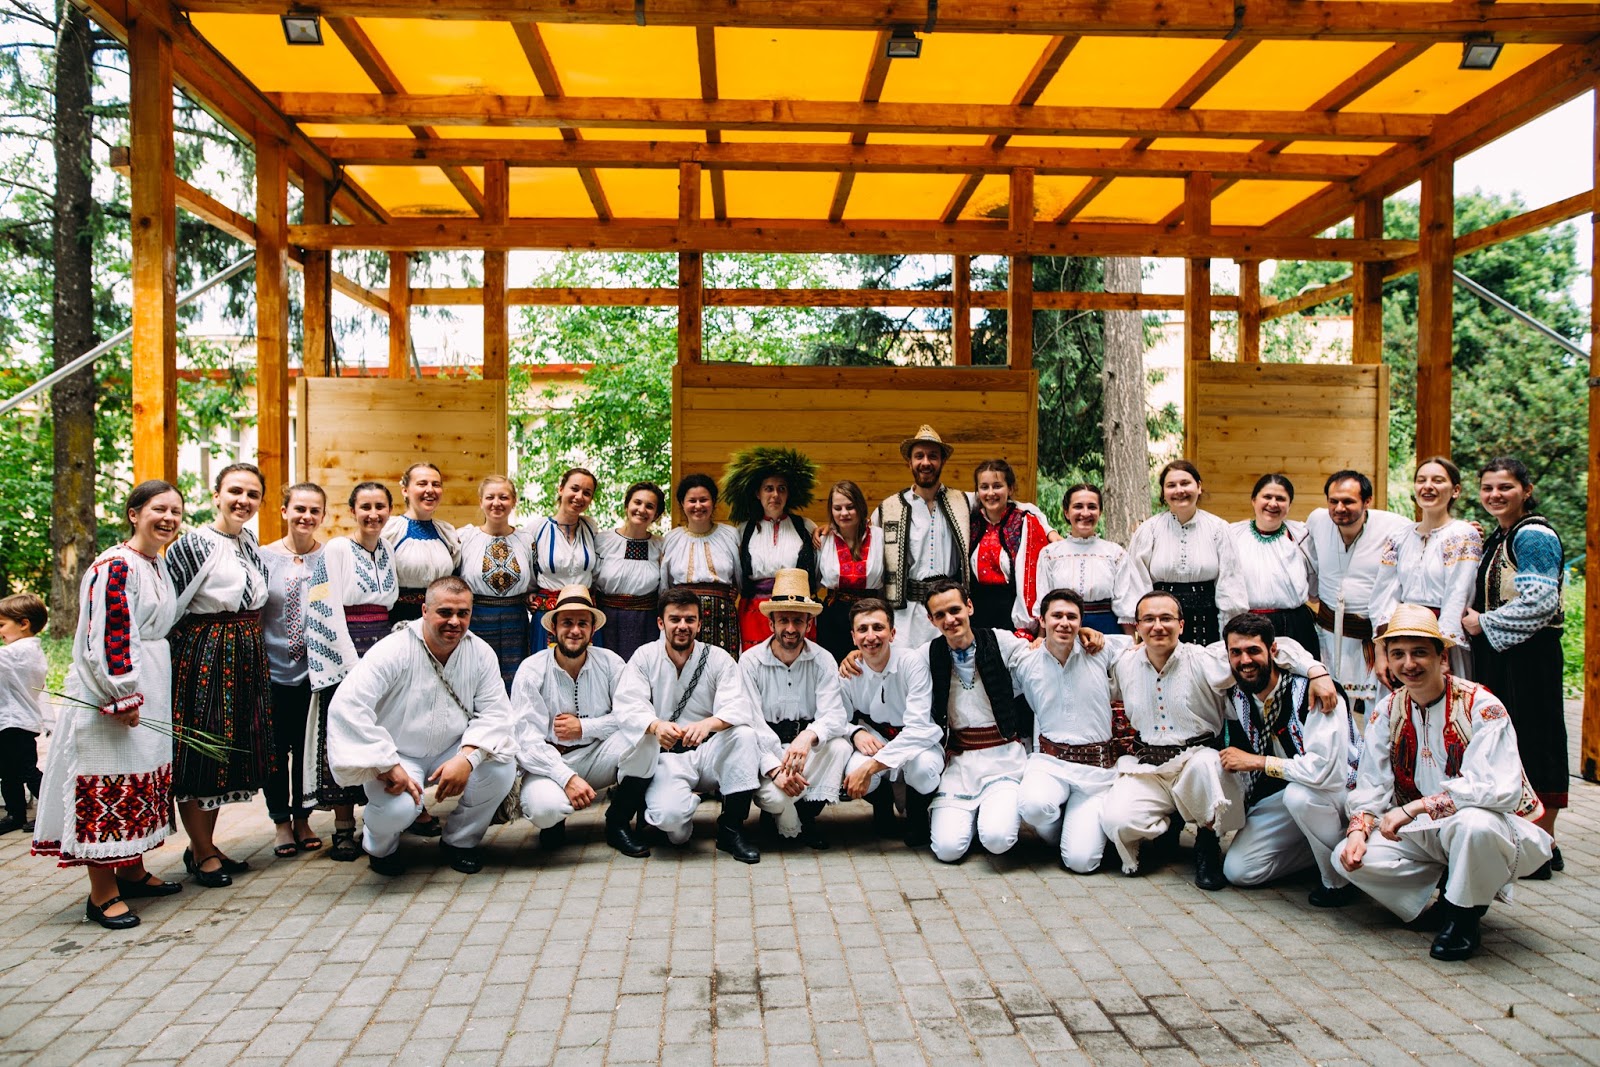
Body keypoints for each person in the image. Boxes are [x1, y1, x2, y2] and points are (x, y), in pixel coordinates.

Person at [1337, 604, 1552, 962]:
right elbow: (1371, 782)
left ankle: (1463, 917)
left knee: (1473, 825)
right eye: (1398, 654)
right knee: (1346, 857)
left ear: (1443, 657)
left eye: (1420, 652)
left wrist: (1416, 807)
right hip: (1426, 832)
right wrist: (1358, 830)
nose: (1409, 664)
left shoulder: (1481, 706)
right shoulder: (1388, 709)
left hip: (1496, 829)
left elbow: (1497, 789)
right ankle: (1448, 891)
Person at [1100, 591, 1332, 889]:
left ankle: (1207, 842)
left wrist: (1316, 671)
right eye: (1149, 619)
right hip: (1148, 767)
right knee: (1117, 820)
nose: (1158, 626)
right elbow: (1095, 651)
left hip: (1197, 760)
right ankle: (1167, 827)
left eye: (1166, 618)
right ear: (1138, 626)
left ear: (1181, 625)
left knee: (1208, 766)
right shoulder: (1125, 662)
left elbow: (1276, 644)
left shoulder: (1205, 659)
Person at [33, 481, 186, 929]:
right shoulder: (114, 566)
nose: (168, 518)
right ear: (134, 514)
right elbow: (109, 636)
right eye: (159, 509)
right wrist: (121, 694)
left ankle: (132, 872)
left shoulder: (155, 564)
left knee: (139, 774)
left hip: (150, 682)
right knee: (107, 781)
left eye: (176, 512)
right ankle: (102, 894)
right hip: (110, 694)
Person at [326, 577, 518, 876]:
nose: (454, 621)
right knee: (398, 810)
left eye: (463, 613)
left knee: (501, 767)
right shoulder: (392, 650)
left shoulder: (481, 653)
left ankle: (460, 841)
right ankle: (379, 847)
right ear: (425, 611)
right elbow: (347, 706)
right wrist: (386, 763)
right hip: (397, 755)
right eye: (445, 612)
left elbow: (495, 713)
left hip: (452, 750)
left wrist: (467, 758)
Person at [165, 462, 275, 889]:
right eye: (235, 491)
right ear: (216, 496)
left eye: (252, 494)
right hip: (207, 654)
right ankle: (202, 850)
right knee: (202, 751)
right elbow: (169, 607)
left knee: (225, 754)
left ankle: (204, 846)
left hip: (244, 651)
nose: (243, 500)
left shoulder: (249, 541)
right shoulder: (194, 544)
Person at [1462, 457, 1567, 878]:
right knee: (1507, 742)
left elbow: (1540, 602)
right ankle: (1521, 838)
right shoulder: (1501, 535)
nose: (1495, 495)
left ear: (1526, 489)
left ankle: (1544, 844)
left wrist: (1483, 623)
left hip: (1531, 656)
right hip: (1501, 654)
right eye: (1487, 487)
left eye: (1505, 487)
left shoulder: (1534, 534)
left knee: (1537, 739)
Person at [1216, 614, 1360, 904]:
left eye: (1254, 651)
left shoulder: (1315, 692)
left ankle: (1339, 882)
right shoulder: (1238, 694)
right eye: (1236, 652)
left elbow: (1324, 772)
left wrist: (1257, 762)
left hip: (1342, 792)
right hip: (1288, 793)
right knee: (1240, 870)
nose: (1245, 660)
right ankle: (1325, 850)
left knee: (1300, 796)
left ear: (1273, 651)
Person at [614, 587, 764, 863]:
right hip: (667, 758)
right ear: (661, 623)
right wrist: (656, 726)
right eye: (675, 619)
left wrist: (709, 724)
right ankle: (674, 808)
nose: (682, 626)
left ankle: (731, 830)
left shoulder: (718, 658)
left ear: (699, 623)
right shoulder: (644, 656)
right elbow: (628, 704)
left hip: (709, 754)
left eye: (689, 619)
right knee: (674, 829)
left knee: (743, 735)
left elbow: (739, 705)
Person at [872, 424, 1054, 647]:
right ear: (909, 462)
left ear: (942, 461)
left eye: (933, 456)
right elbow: (868, 544)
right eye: (919, 456)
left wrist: (1050, 531)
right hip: (906, 611)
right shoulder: (887, 509)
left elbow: (1014, 506)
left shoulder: (963, 501)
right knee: (906, 663)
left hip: (950, 609)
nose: (926, 462)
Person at [509, 585, 655, 858]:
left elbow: (634, 714)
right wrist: (567, 778)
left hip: (597, 755)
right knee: (545, 811)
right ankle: (554, 822)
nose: (575, 630)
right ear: (553, 628)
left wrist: (584, 728)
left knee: (646, 739)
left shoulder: (611, 663)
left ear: (592, 629)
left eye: (582, 623)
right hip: (549, 763)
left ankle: (618, 822)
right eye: (567, 622)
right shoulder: (531, 670)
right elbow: (525, 741)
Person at [303, 481, 399, 861]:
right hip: (347, 648)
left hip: (381, 643)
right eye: (365, 507)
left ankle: (381, 819)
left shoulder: (387, 548)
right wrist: (350, 666)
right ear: (352, 511)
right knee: (343, 733)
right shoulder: (338, 549)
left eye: (380, 506)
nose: (373, 514)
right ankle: (343, 828)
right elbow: (324, 606)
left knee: (380, 730)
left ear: (389, 510)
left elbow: (388, 605)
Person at [1014, 589, 1130, 873]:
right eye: (1057, 616)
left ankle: (1080, 827)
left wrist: (1094, 634)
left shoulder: (1099, 649)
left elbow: (1137, 648)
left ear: (1081, 621)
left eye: (1072, 617)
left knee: (1081, 861)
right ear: (1042, 620)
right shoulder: (1026, 663)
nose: (1064, 623)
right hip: (1050, 764)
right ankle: (1057, 831)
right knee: (1034, 807)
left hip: (1095, 772)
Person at [920, 579, 1036, 864]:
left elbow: (1038, 664)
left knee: (997, 840)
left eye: (955, 610)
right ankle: (970, 821)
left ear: (969, 607)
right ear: (931, 620)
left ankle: (990, 817)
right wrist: (857, 655)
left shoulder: (1001, 641)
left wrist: (1076, 635)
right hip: (960, 762)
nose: (950, 619)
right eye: (940, 615)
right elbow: (892, 663)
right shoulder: (928, 654)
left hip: (1004, 758)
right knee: (947, 849)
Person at [740, 570, 852, 850]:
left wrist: (808, 736)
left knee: (839, 747)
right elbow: (750, 721)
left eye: (798, 621)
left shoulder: (823, 659)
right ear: (771, 623)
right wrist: (775, 770)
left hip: (805, 752)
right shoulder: (750, 661)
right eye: (784, 620)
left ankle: (805, 816)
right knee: (775, 798)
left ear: (809, 624)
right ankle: (785, 816)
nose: (790, 628)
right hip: (766, 750)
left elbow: (835, 715)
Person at [836, 598, 944, 847]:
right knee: (854, 769)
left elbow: (918, 726)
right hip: (877, 737)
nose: (870, 636)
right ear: (853, 637)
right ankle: (882, 811)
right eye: (863, 629)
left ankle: (918, 817)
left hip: (916, 740)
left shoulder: (911, 663)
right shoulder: (848, 671)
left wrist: (871, 767)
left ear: (893, 633)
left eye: (878, 628)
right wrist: (855, 733)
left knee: (923, 769)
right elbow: (836, 717)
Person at [1302, 470, 1411, 717]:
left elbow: (1427, 536)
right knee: (1329, 705)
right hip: (1327, 634)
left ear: (1367, 501)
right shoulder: (1317, 520)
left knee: (1373, 710)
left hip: (1370, 638)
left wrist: (1461, 529)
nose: (1339, 508)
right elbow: (1306, 551)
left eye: (1348, 501)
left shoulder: (1395, 526)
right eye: (1333, 501)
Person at [259, 483, 328, 859]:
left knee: (306, 749)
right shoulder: (263, 557)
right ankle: (280, 822)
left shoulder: (328, 558)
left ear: (322, 516)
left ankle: (303, 818)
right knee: (275, 751)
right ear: (284, 511)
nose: (307, 516)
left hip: (313, 672)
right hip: (272, 668)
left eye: (314, 510)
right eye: (299, 508)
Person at [1371, 456, 1482, 681]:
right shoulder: (1399, 537)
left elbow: (1458, 593)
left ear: (1455, 490)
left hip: (1442, 640)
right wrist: (1382, 649)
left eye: (1438, 480)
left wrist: (1442, 651)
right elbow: (1384, 594)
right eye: (1421, 480)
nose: (1428, 486)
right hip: (1400, 635)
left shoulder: (1462, 534)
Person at [1115, 460, 1247, 645]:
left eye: (1185, 483)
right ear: (1163, 492)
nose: (1179, 490)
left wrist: (1229, 637)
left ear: (1199, 486)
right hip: (1161, 623)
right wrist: (1140, 635)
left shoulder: (1219, 529)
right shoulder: (1148, 530)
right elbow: (1136, 583)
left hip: (1206, 622)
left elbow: (1230, 585)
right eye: (1171, 485)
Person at [722, 446, 819, 652]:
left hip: (796, 609)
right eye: (769, 488)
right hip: (754, 610)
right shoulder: (743, 530)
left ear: (788, 494)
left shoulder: (805, 527)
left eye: (781, 488)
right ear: (758, 493)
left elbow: (820, 567)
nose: (775, 494)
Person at [457, 475, 535, 692]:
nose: (497, 503)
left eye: (504, 497)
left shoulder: (526, 540)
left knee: (515, 678)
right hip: (477, 618)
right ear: (481, 501)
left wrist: (531, 595)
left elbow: (533, 581)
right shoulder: (465, 538)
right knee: (478, 677)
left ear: (514, 501)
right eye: (490, 497)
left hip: (515, 621)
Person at [1228, 474, 1318, 651]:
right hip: (1247, 625)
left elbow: (1314, 580)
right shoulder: (1232, 534)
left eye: (1281, 499)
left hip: (1294, 625)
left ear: (1289, 505)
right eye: (1267, 497)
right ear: (1254, 500)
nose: (1273, 503)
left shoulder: (1302, 535)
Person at [659, 474, 743, 658]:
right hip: (682, 617)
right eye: (692, 501)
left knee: (722, 666)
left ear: (713, 502)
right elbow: (664, 585)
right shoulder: (672, 539)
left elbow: (740, 576)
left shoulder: (730, 535)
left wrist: (734, 592)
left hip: (721, 615)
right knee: (682, 665)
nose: (698, 506)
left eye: (703, 500)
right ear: (682, 503)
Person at [968, 459, 1051, 631]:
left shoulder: (1025, 522)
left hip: (1014, 614)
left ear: (1010, 489)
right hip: (976, 614)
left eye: (997, 486)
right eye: (984, 487)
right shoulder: (971, 522)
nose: (991, 493)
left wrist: (1036, 629)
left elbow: (1040, 578)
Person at [1034, 483, 1125, 634]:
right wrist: (1041, 637)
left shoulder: (1115, 553)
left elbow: (1124, 601)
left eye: (1092, 507)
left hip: (1106, 629)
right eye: (1078, 506)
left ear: (1100, 512)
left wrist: (1129, 641)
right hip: (1063, 627)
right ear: (1066, 512)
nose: (1085, 513)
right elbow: (1044, 599)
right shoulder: (1050, 554)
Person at [528, 467, 603, 643]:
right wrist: (528, 593)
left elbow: (597, 571)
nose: (579, 497)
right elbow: (528, 568)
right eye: (574, 489)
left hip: (584, 612)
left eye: (587, 493)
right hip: (549, 614)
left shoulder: (590, 528)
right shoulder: (537, 529)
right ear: (561, 489)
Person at [594, 481, 666, 663]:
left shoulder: (661, 545)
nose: (642, 509)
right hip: (606, 620)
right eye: (637, 502)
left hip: (645, 622)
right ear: (627, 506)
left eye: (649, 506)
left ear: (656, 515)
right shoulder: (602, 541)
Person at [382, 461, 460, 626]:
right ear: (405, 490)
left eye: (436, 484)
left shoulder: (447, 533)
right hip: (399, 618)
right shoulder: (390, 530)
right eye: (422, 484)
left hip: (440, 619)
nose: (430, 490)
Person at [815, 480, 883, 662]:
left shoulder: (880, 537)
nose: (844, 513)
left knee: (870, 667)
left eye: (850, 507)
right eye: (837, 508)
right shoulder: (823, 540)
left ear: (860, 507)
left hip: (871, 614)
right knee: (835, 670)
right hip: (833, 618)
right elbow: (814, 582)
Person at [0, 593, 48, 835]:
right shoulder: (30, 650)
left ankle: (53, 813)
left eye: (1, 625)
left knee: (26, 771)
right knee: (9, 772)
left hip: (14, 722)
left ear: (24, 623)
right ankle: (16, 815)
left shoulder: (16, 652)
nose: (0, 631)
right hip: (17, 722)